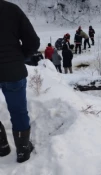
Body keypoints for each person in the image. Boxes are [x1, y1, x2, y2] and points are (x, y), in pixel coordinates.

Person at [0, 1, 40, 163]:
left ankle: (2, 146)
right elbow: (33, 41)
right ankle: (23, 150)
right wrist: (20, 57)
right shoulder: (11, 9)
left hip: (12, 68)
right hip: (13, 71)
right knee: (18, 111)